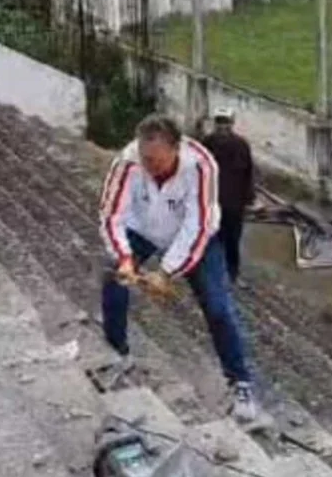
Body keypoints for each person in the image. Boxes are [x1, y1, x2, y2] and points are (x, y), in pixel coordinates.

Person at [99, 114, 258, 422]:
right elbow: (112, 215)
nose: (150, 167)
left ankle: (240, 381)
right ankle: (118, 351)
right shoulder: (127, 163)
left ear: (176, 148)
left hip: (194, 234)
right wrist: (125, 257)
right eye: (145, 158)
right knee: (113, 280)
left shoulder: (201, 165)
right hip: (142, 229)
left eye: (157, 161)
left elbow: (198, 224)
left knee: (218, 306)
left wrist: (166, 271)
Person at [202, 107, 255, 284]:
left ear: (232, 124)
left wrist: (249, 198)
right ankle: (215, 271)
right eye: (219, 122)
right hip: (212, 202)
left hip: (234, 203)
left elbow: (248, 173)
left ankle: (232, 273)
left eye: (225, 122)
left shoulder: (241, 145)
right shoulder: (206, 144)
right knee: (213, 237)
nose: (222, 126)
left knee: (232, 239)